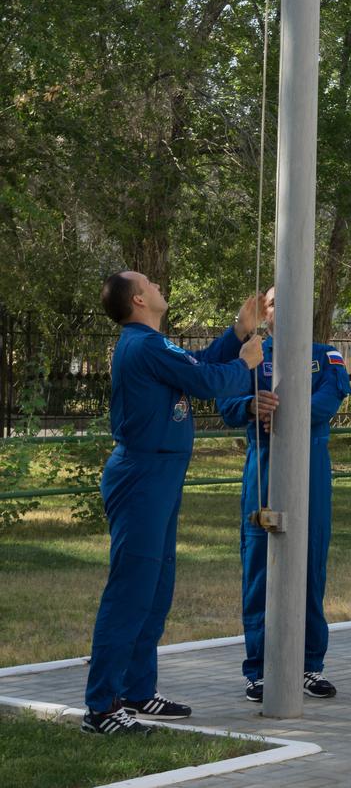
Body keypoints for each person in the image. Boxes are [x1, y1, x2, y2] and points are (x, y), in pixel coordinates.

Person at [82, 273, 264, 736]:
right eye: (149, 282)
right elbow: (206, 382)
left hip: (159, 475)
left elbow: (196, 364)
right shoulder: (142, 344)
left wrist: (238, 333)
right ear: (139, 299)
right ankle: (101, 708)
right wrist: (244, 363)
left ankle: (138, 691)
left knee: (156, 589)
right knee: (130, 592)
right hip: (142, 475)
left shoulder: (153, 343)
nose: (159, 283)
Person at [217, 287, 351, 702]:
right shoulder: (251, 354)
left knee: (311, 566)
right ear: (266, 312)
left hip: (311, 468)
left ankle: (309, 664)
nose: (281, 308)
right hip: (266, 465)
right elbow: (227, 404)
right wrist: (249, 405)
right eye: (273, 302)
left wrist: (288, 409)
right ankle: (259, 670)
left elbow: (329, 400)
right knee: (260, 566)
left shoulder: (326, 354)